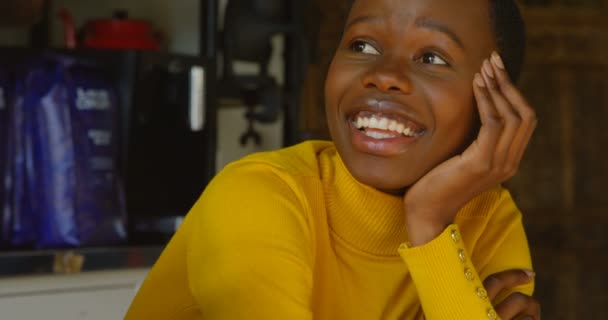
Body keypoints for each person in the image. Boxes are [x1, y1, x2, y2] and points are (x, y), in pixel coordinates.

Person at [126, 0, 540, 318]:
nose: (384, 75)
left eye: (432, 57)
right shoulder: (257, 198)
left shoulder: (490, 220)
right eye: (362, 44)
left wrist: (429, 224)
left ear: (496, 106)